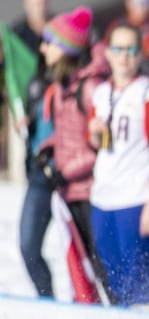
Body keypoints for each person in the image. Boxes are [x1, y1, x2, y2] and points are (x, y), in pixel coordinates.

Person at [86, 21, 149, 306]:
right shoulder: (101, 93)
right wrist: (92, 133)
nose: (124, 56)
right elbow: (95, 143)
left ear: (140, 54)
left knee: (140, 284)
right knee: (115, 282)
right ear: (107, 53)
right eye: (118, 48)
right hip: (104, 198)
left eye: (131, 49)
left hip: (137, 197)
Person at [38, 4, 114, 304]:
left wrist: (65, 172)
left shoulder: (90, 87)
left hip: (91, 192)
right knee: (83, 264)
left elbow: (101, 148)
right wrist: (47, 150)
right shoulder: (63, 86)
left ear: (66, 48)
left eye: (49, 43)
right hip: (71, 191)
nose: (43, 50)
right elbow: (68, 134)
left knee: (101, 264)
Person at [6, 0, 54, 298]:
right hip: (37, 163)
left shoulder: (65, 33)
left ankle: (104, 310)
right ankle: (48, 302)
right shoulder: (16, 36)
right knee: (28, 245)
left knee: (93, 252)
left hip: (73, 168)